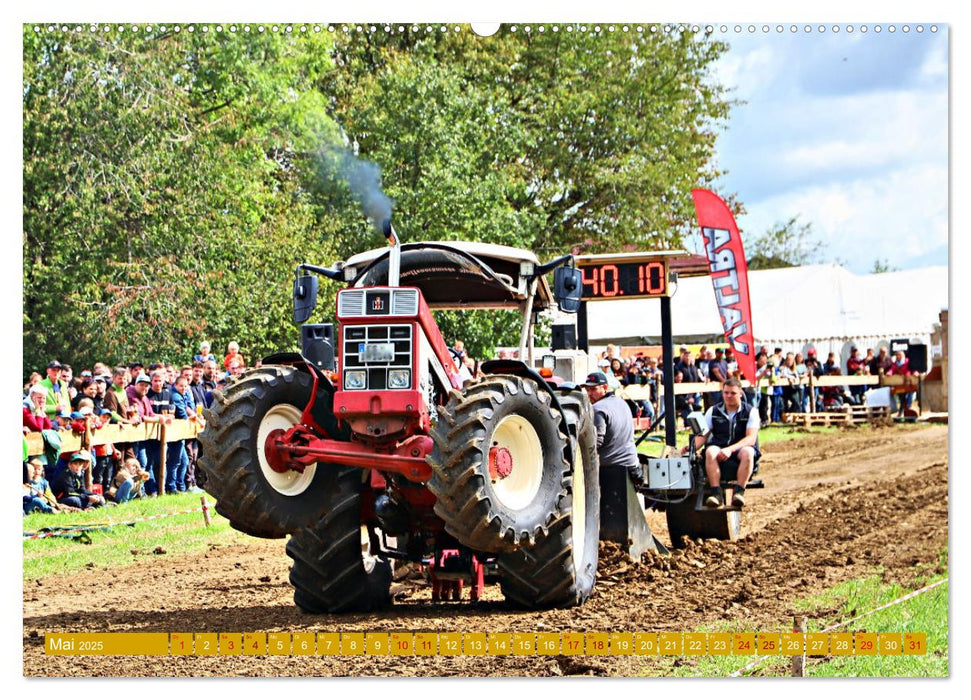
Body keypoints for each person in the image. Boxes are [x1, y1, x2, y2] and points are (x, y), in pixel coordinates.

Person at [685, 378, 760, 508]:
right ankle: (716, 494)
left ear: (740, 393)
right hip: (719, 446)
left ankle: (739, 492)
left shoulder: (751, 411)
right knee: (710, 451)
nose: (729, 396)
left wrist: (730, 449)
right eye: (726, 393)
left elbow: (751, 438)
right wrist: (690, 448)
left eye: (733, 393)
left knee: (748, 452)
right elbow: (703, 436)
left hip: (740, 448)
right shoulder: (713, 411)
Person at [582, 371, 642, 486]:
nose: (589, 393)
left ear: (605, 387)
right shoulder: (622, 403)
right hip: (632, 464)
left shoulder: (597, 409)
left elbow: (596, 442)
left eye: (593, 389)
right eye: (587, 389)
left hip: (611, 468)